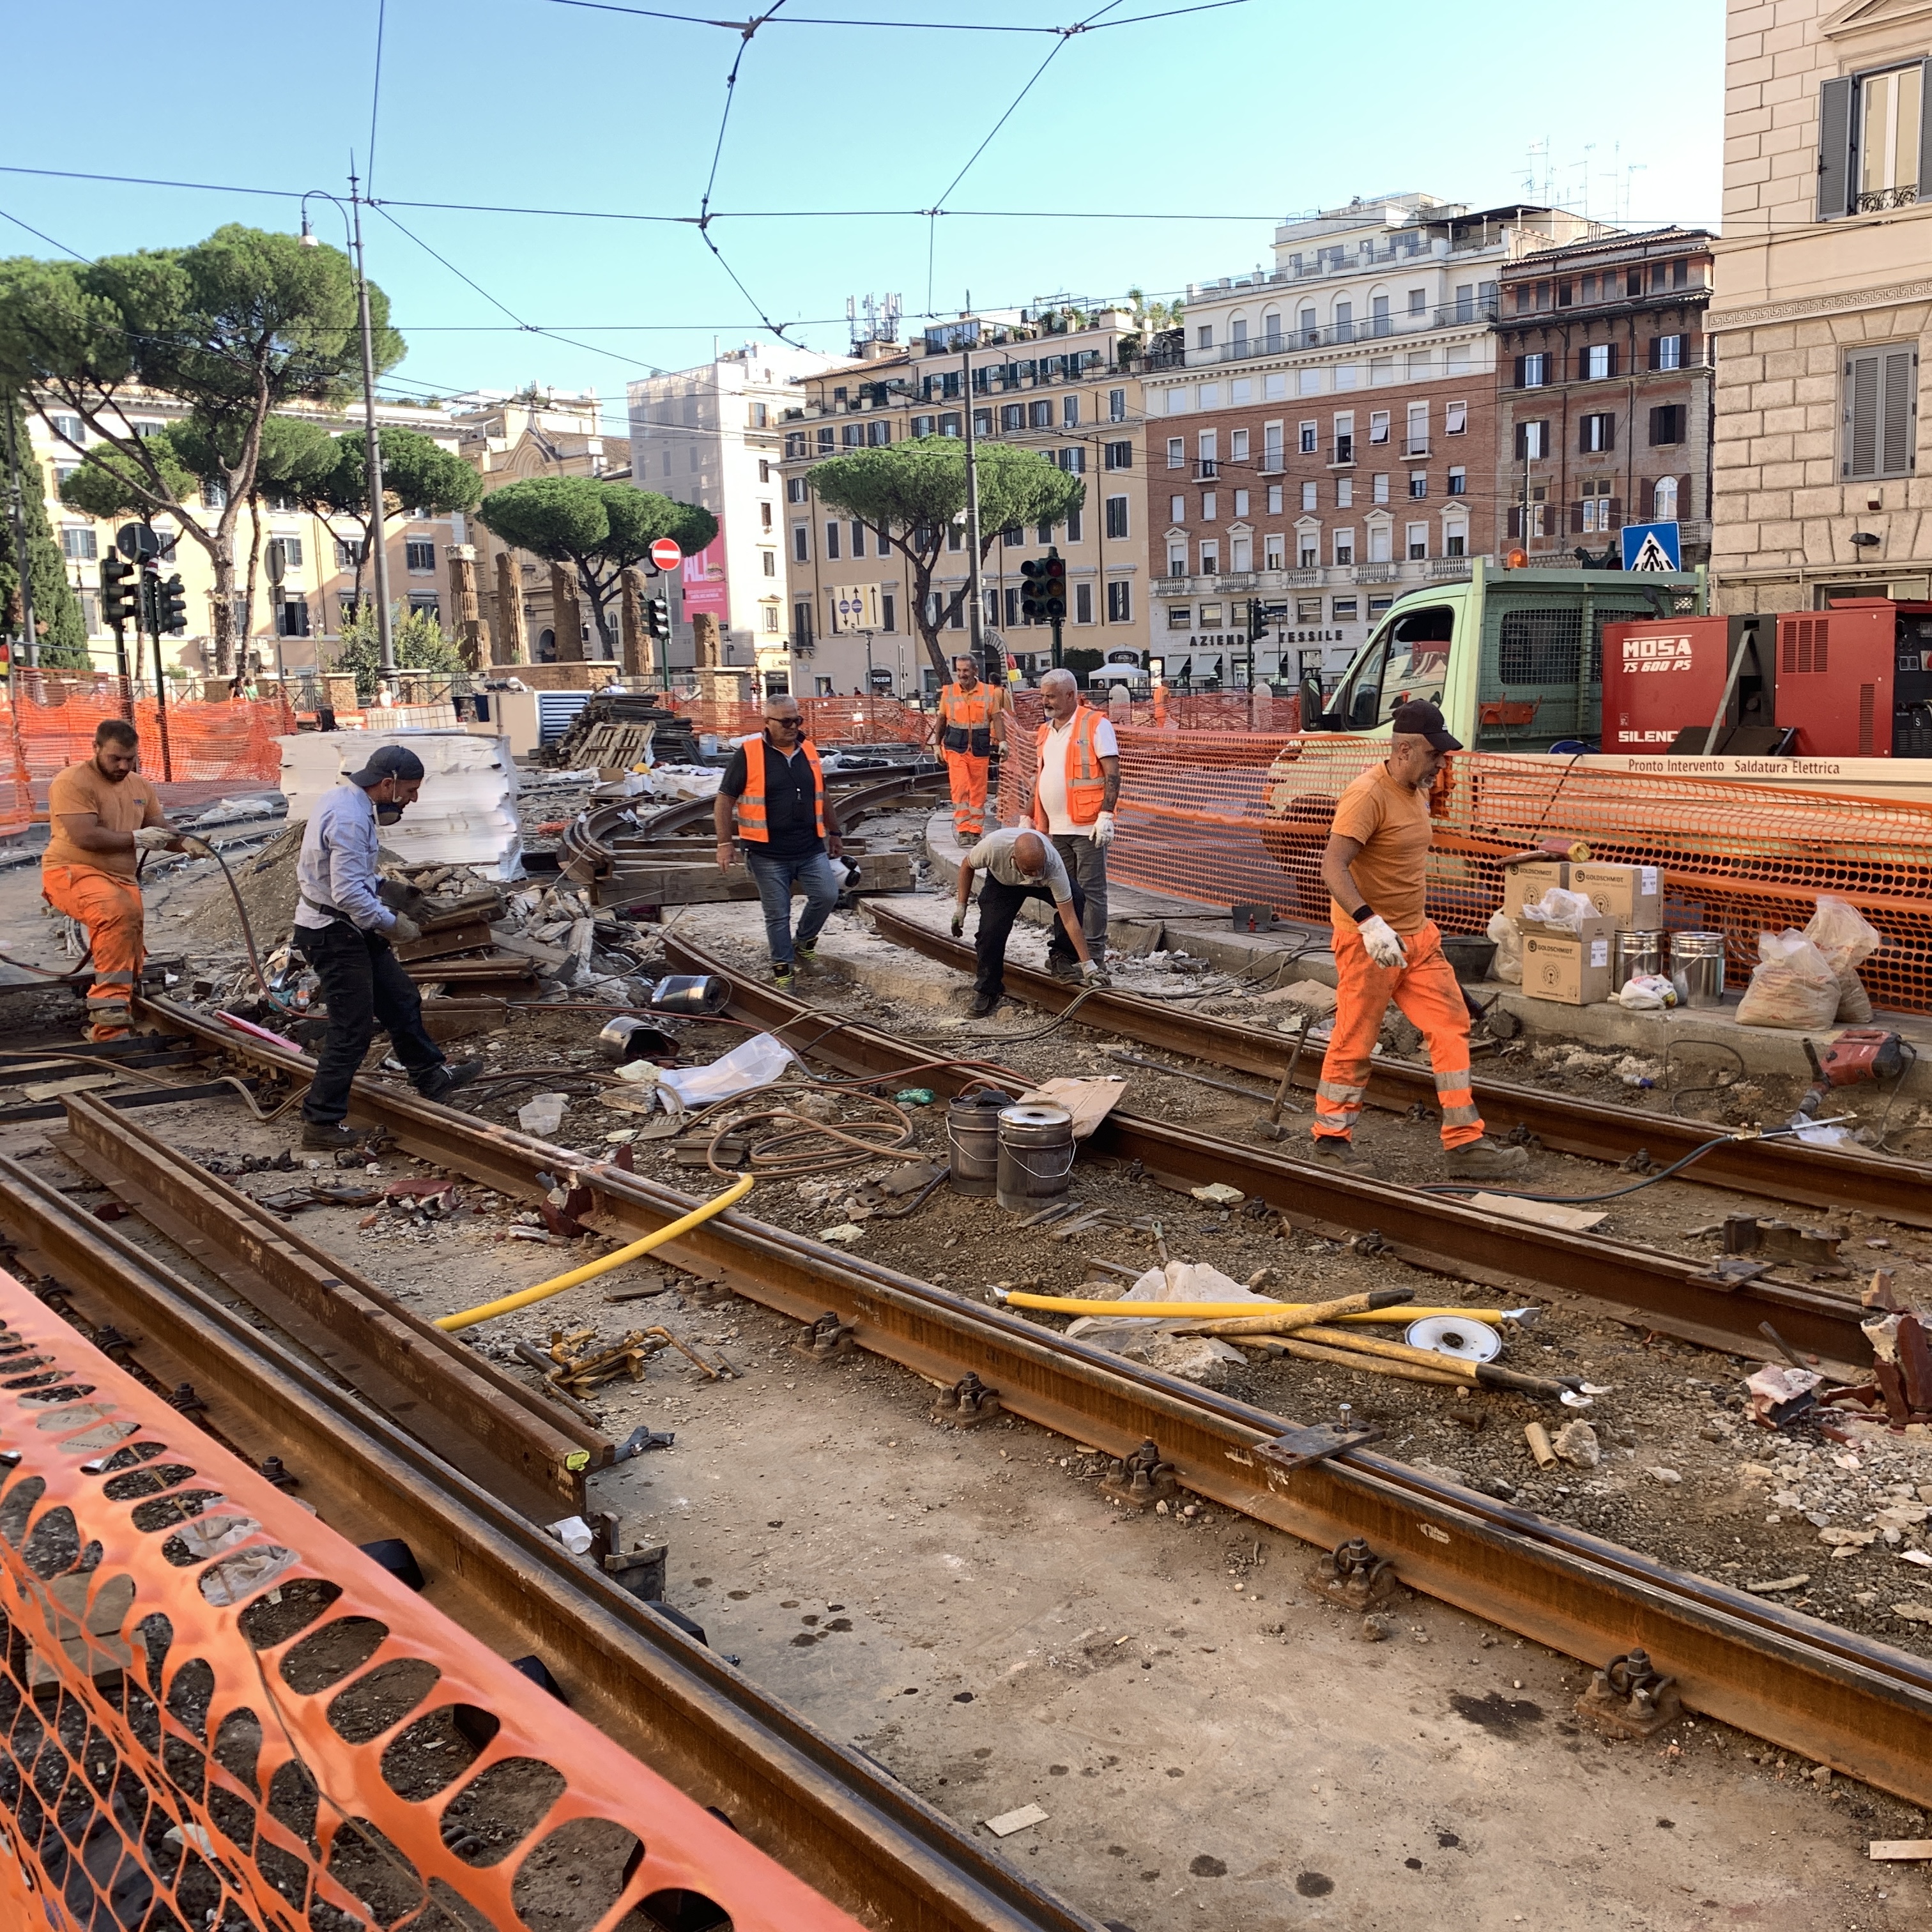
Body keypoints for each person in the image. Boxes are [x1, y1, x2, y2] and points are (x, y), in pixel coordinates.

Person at [1312, 700, 1527, 1179]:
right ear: (1404, 750)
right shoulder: (1367, 795)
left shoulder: (1416, 789)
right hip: (1369, 943)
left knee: (1451, 1025)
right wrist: (1369, 923)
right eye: (1434, 755)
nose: (1441, 764)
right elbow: (1333, 866)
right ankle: (1331, 1141)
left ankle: (1465, 1144)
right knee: (1355, 1039)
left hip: (1417, 938)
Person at [293, 745, 481, 1150]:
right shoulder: (348, 819)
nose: (413, 799)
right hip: (333, 933)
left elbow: (354, 876)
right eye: (410, 790)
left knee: (400, 999)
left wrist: (390, 889)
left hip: (348, 927)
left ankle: (431, 1076)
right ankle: (321, 1122)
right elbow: (347, 894)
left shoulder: (348, 802)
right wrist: (394, 925)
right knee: (352, 1029)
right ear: (387, 783)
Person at [42, 719, 209, 1041]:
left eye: (130, 759)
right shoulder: (72, 782)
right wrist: (136, 838)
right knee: (117, 912)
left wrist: (186, 843)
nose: (123, 766)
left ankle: (113, 1022)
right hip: (71, 870)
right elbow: (85, 836)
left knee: (129, 936)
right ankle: (109, 1010)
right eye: (115, 758)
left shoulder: (139, 786)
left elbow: (160, 828)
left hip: (120, 877)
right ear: (96, 748)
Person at [714, 696, 845, 988]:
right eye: (785, 722)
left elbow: (822, 794)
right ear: (767, 723)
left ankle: (803, 943)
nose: (792, 727)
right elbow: (724, 800)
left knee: (827, 895)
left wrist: (834, 833)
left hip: (809, 846)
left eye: (797, 720)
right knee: (777, 914)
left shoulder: (808, 749)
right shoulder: (749, 753)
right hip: (766, 851)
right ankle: (783, 970)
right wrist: (725, 843)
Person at [954, 827, 1105, 1016]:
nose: (1033, 875)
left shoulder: (1052, 866)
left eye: (1037, 869)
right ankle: (988, 990)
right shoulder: (991, 848)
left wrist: (1088, 965)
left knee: (1076, 899)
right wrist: (961, 908)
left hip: (1044, 883)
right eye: (1029, 870)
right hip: (1004, 883)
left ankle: (1062, 957)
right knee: (990, 933)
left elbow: (1070, 919)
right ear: (1014, 858)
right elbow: (966, 866)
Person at [1029, 666, 1119, 968]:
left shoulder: (1095, 724)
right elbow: (1040, 776)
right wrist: (1029, 815)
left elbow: (1113, 774)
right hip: (1056, 829)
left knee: (1092, 892)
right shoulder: (1046, 731)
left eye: (1051, 696)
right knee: (1064, 893)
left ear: (1070, 695)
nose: (1046, 702)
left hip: (1087, 827)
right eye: (1043, 696)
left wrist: (1106, 815)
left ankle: (1093, 956)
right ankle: (1068, 953)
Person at [931, 652, 1006, 844]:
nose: (962, 674)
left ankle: (976, 831)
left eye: (965, 670)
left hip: (979, 749)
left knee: (978, 790)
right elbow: (941, 719)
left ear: (975, 671)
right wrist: (937, 745)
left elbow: (997, 718)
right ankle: (963, 830)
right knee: (960, 788)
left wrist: (1003, 741)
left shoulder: (989, 692)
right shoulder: (949, 693)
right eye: (959, 670)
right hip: (956, 748)